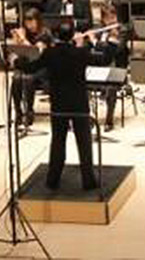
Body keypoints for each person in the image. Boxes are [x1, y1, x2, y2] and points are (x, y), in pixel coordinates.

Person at [15, 22, 99, 190]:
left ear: (57, 36)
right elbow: (103, 59)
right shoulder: (80, 52)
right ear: (73, 36)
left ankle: (53, 180)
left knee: (58, 141)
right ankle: (88, 181)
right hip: (79, 103)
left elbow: (31, 68)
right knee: (84, 142)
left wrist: (16, 60)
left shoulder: (50, 53)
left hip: (59, 103)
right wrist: (92, 41)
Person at [90, 3, 130, 131]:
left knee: (111, 88)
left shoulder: (122, 31)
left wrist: (96, 43)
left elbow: (117, 50)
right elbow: (91, 50)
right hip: (99, 69)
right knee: (81, 83)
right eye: (108, 18)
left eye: (113, 17)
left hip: (117, 71)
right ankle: (88, 118)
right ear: (103, 19)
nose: (111, 21)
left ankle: (109, 120)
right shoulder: (99, 30)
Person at [10, 8, 52, 127]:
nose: (29, 25)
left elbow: (35, 54)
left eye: (32, 22)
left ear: (38, 21)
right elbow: (16, 53)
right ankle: (18, 111)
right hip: (26, 66)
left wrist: (22, 39)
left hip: (41, 68)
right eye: (27, 22)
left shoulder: (45, 34)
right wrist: (16, 41)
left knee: (28, 79)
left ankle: (29, 111)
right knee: (16, 79)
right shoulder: (24, 32)